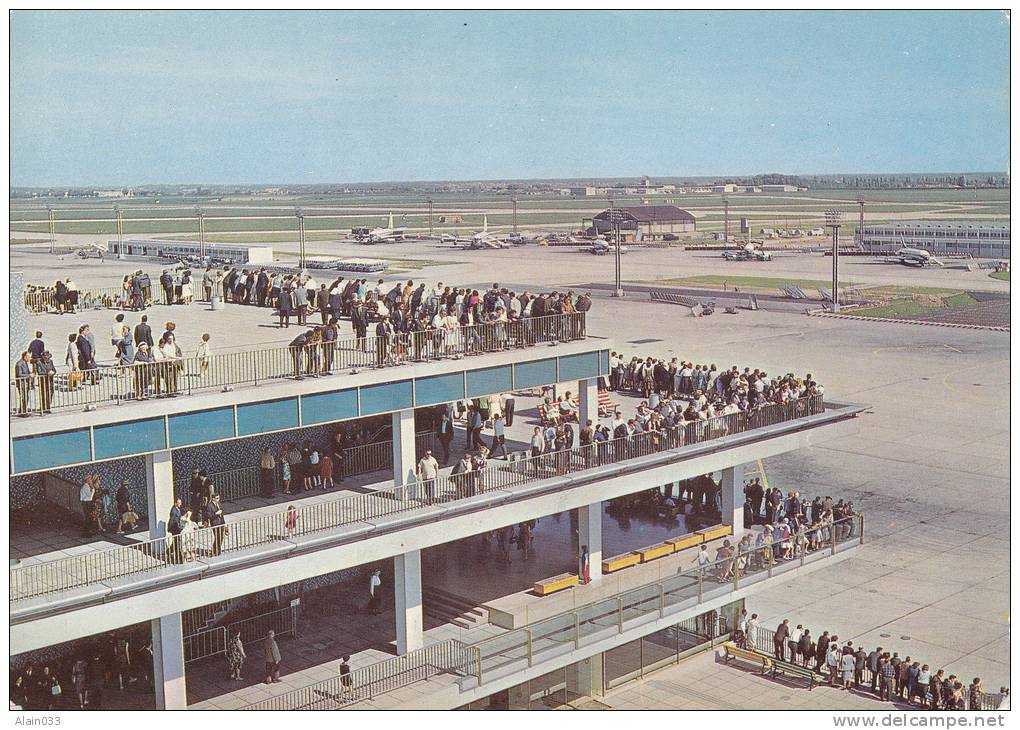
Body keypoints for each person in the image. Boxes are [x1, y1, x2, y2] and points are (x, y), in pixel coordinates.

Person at [14, 351, 34, 417]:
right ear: (25, 357)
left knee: (26, 397)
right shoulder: (19, 364)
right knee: (23, 398)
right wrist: (29, 375)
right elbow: (19, 374)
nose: (30, 358)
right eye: (29, 357)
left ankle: (23, 410)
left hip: (26, 383)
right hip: (21, 384)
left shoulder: (25, 362)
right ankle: (22, 412)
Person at [167, 498, 185, 563]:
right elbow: (173, 521)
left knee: (175, 543)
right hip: (175, 529)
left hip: (177, 529)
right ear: (175, 503)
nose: (180, 504)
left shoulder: (178, 509)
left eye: (180, 503)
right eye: (179, 503)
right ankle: (179, 559)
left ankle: (169, 551)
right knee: (177, 544)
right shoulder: (174, 511)